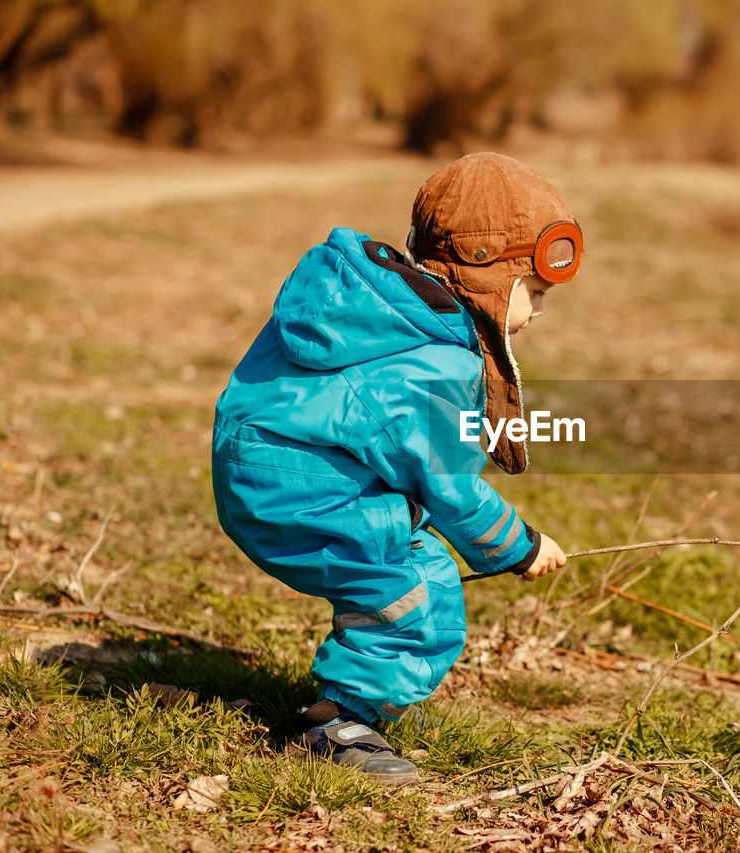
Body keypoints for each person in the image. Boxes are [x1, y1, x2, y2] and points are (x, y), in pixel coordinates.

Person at [210, 152, 580, 784]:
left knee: (407, 561)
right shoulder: (436, 363)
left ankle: (349, 695)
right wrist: (518, 546)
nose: (539, 312)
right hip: (301, 487)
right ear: (492, 277)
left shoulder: (376, 307)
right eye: (536, 293)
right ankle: (335, 724)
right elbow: (451, 491)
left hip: (258, 465)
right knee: (414, 590)